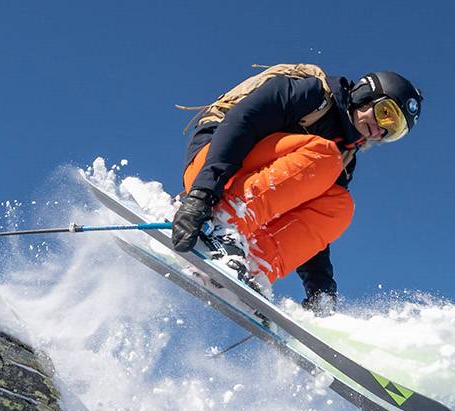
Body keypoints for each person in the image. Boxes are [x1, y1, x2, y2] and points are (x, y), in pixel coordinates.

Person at [171, 67, 423, 312]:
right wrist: (202, 195)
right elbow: (243, 122)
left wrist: (320, 288)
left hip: (242, 206)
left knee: (340, 206)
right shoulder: (312, 95)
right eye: (385, 113)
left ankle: (255, 265)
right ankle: (223, 224)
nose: (380, 129)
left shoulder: (345, 159)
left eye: (393, 131)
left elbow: (307, 219)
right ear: (364, 94)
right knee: (326, 157)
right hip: (212, 168)